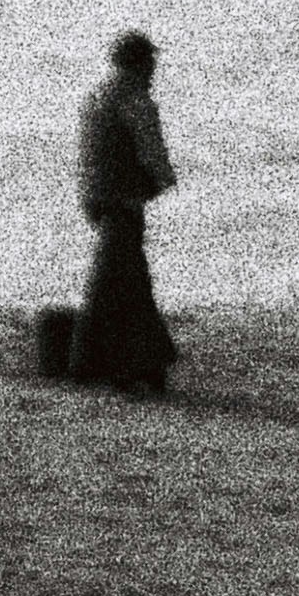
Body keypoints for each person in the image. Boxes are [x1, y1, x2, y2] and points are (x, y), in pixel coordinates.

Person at [67, 29, 178, 393]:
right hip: (124, 198)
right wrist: (161, 182)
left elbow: (85, 154)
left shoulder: (96, 96)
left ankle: (125, 361)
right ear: (141, 63)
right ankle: (123, 363)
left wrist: (88, 193)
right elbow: (153, 154)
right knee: (121, 280)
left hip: (97, 196)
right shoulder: (136, 100)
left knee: (124, 276)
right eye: (151, 63)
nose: (154, 71)